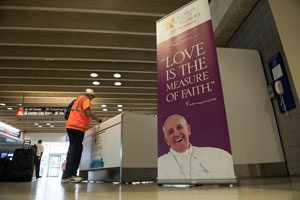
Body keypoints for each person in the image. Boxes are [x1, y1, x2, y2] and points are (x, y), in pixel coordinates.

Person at [158, 114, 235, 180]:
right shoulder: (160, 164)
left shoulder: (218, 155)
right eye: (171, 132)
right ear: (167, 140)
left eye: (179, 127)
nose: (177, 134)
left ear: (188, 129)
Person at [61, 88, 105, 183]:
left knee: (75, 149)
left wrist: (87, 126)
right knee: (75, 150)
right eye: (92, 97)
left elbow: (80, 116)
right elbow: (88, 112)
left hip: (72, 126)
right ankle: (69, 175)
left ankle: (67, 175)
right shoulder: (85, 99)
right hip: (77, 127)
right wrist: (99, 120)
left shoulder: (77, 100)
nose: (92, 99)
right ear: (89, 95)